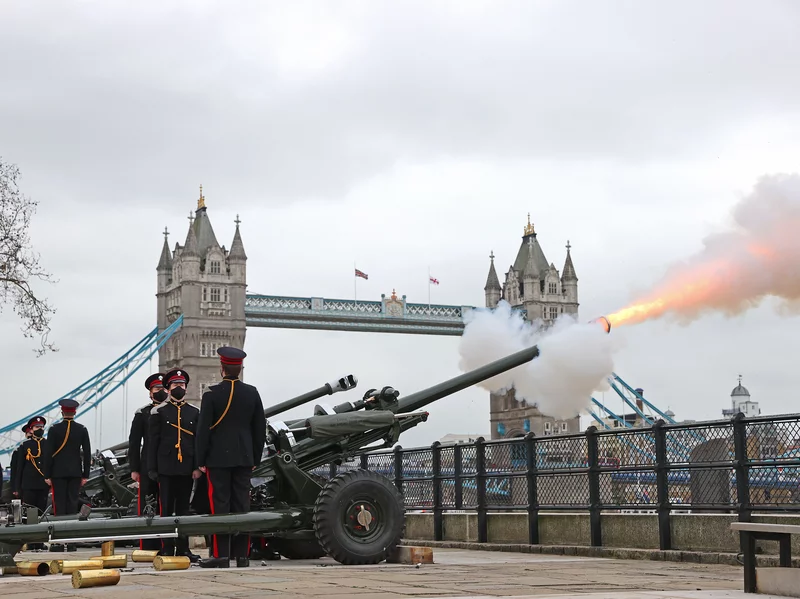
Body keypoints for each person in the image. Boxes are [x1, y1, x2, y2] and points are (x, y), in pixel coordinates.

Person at [196, 347, 266, 568]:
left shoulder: (211, 394)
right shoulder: (252, 393)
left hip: (217, 459)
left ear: (222, 368)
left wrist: (200, 459)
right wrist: (254, 458)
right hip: (245, 457)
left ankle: (221, 555)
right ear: (240, 368)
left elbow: (203, 431)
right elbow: (259, 430)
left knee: (220, 505)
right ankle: (242, 556)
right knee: (242, 505)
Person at [148, 368, 201, 562]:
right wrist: (152, 468)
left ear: (186, 388)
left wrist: (197, 466)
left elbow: (197, 441)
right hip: (166, 466)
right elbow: (152, 442)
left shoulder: (194, 412)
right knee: (166, 509)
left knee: (183, 510)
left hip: (186, 467)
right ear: (168, 388)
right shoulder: (159, 411)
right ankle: (167, 547)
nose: (179, 387)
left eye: (182, 385)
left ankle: (184, 548)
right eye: (175, 385)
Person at [128, 372, 167, 551]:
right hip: (146, 466)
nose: (161, 391)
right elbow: (134, 443)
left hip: (168, 464)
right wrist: (134, 468)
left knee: (166, 505)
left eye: (163, 388)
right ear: (150, 392)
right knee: (147, 505)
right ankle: (148, 545)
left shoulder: (173, 411)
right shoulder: (142, 413)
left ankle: (167, 542)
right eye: (157, 389)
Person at [43, 399, 91, 517]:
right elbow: (87, 453)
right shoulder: (82, 429)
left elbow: (48, 453)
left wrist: (47, 474)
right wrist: (85, 475)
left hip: (57, 473)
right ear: (74, 413)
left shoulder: (54, 429)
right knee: (73, 502)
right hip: (75, 472)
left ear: (62, 412)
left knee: (59, 502)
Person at [12, 416, 51, 550]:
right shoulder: (25, 446)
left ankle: (39, 542)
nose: (39, 429)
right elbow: (19, 468)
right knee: (28, 515)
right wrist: (17, 487)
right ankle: (29, 541)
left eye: (41, 427)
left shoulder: (48, 444)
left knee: (40, 515)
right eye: (36, 427)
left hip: (43, 484)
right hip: (28, 484)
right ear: (32, 430)